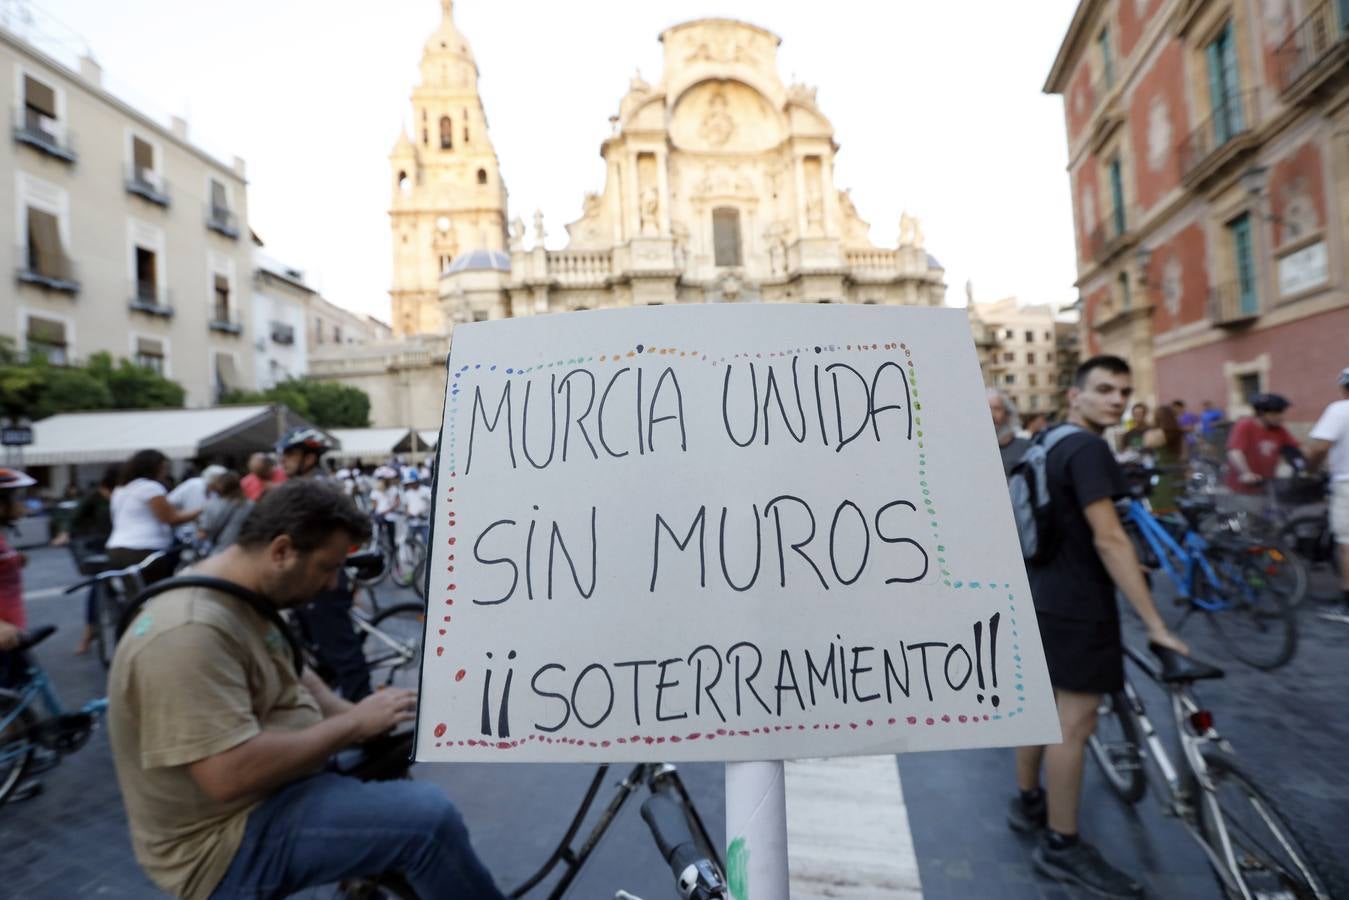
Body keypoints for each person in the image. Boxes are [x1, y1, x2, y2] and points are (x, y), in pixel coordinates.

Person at [106, 480, 503, 900]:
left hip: (272, 796)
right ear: (281, 551)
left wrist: (354, 715)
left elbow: (292, 667)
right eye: (327, 568)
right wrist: (351, 725)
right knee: (428, 823)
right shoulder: (188, 632)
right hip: (223, 842)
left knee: (393, 760)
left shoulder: (238, 593)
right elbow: (228, 774)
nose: (333, 585)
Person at [1010, 355, 1187, 899]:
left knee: (1040, 707)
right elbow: (1109, 538)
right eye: (1104, 389)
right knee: (1076, 722)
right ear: (1075, 395)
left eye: (1123, 391)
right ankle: (1063, 846)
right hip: (1079, 602)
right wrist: (1156, 624)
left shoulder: (1043, 442)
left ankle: (1028, 800)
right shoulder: (1088, 448)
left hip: (1038, 592)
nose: (1116, 399)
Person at [278, 427, 372, 700]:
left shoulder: (317, 488)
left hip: (322, 577)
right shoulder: (306, 485)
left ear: (309, 457)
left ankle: (367, 723)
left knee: (341, 649)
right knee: (321, 645)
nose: (283, 460)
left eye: (290, 454)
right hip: (307, 577)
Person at [106, 450, 201, 585]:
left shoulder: (121, 489)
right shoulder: (150, 487)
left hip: (117, 547)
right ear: (154, 467)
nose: (165, 472)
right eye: (164, 467)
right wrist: (201, 510)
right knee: (155, 593)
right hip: (145, 549)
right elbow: (170, 518)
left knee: (134, 594)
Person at [1306, 368, 1349, 623]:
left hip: (1346, 482)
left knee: (1347, 544)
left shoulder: (1340, 409)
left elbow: (1320, 446)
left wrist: (1309, 468)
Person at [72, 467, 120, 655]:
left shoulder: (124, 495)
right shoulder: (96, 497)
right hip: (98, 546)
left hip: (117, 545)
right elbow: (76, 518)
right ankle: (89, 633)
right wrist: (68, 534)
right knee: (97, 587)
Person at [1224, 393, 1298, 497]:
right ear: (1262, 413)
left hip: (1267, 486)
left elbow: (1296, 447)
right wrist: (1246, 473)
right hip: (1242, 489)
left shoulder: (1279, 430)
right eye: (1277, 413)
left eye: (1282, 412)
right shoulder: (1245, 425)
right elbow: (1235, 451)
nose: (1281, 417)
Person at [1141, 403, 1187, 512]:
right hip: (1178, 472)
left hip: (1161, 473)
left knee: (1161, 506)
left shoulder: (1153, 434)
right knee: (1178, 506)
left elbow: (1145, 448)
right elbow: (1184, 456)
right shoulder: (1179, 433)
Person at [197, 471, 253, 556]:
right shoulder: (251, 505)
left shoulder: (210, 506)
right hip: (245, 553)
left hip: (219, 555)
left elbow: (202, 535)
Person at [988, 389, 1031, 476]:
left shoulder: (1026, 447)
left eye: (996, 408)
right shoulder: (978, 449)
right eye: (988, 408)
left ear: (1008, 414)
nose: (991, 414)